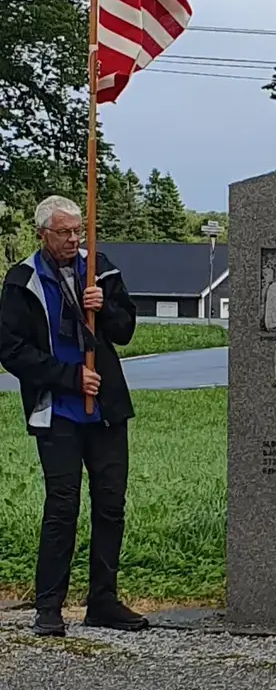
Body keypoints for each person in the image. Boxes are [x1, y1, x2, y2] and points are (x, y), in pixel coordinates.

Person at [0, 195, 148, 637]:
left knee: (111, 505)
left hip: (105, 410)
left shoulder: (98, 267)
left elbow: (125, 330)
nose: (72, 239)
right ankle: (49, 607)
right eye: (63, 232)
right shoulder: (22, 280)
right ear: (42, 233)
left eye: (77, 231)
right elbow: (11, 350)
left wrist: (104, 307)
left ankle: (103, 601)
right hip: (58, 410)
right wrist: (68, 378)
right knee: (62, 507)